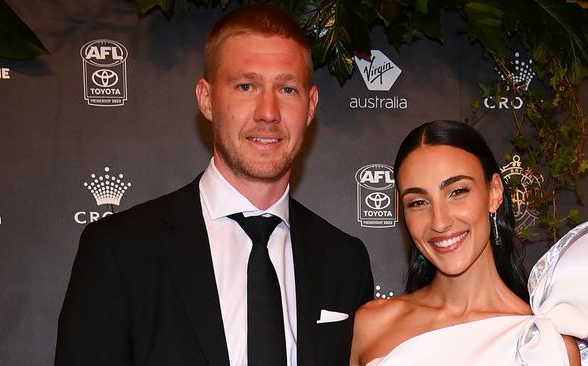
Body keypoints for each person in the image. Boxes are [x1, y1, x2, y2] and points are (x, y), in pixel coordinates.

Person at [55, 5, 373, 366]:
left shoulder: (345, 261)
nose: (267, 112)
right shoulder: (119, 251)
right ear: (206, 100)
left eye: (287, 88)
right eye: (246, 86)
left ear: (311, 105)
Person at [350, 120, 588, 366]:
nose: (439, 221)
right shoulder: (372, 324)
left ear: (494, 192)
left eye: (457, 192)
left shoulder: (543, 343)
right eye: (418, 202)